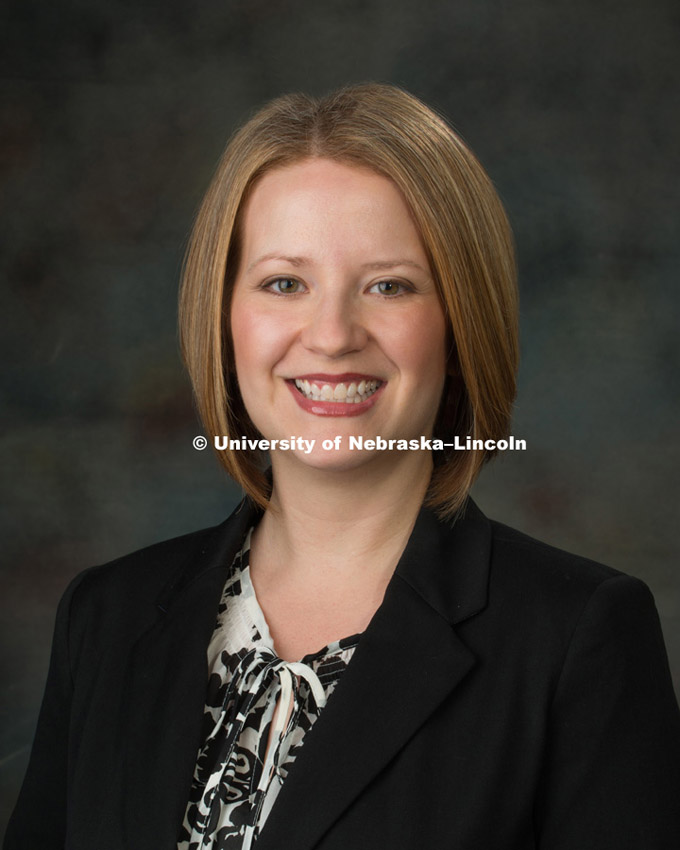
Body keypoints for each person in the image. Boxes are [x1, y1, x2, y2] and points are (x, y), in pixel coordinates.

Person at [5, 84, 680, 850]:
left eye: (389, 285)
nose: (330, 336)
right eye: (283, 283)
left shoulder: (576, 639)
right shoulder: (106, 617)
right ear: (223, 314)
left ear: (461, 322)